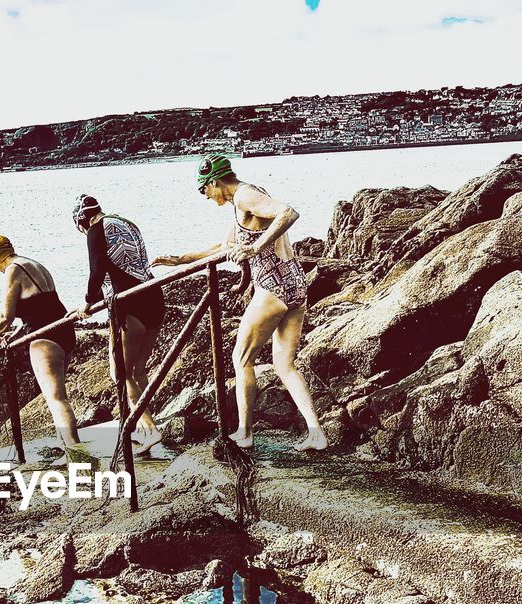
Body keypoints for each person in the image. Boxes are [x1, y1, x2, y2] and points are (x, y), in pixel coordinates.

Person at [152, 155, 327, 451]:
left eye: (203, 190)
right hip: (295, 283)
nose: (206, 197)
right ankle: (316, 434)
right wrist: (180, 260)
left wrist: (254, 248)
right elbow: (222, 248)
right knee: (284, 364)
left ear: (215, 182)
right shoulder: (244, 201)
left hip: (272, 286)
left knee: (241, 359)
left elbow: (289, 213)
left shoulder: (245, 195)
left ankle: (244, 433)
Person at [65, 194, 165, 455]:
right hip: (153, 297)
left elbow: (97, 271)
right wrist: (87, 301)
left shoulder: (95, 230)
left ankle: (151, 429)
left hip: (130, 306)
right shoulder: (124, 222)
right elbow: (120, 270)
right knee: (139, 371)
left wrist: (87, 303)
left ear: (81, 220)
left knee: (120, 375)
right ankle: (142, 430)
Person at [0, 235, 81, 449]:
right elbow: (41, 307)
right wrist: (18, 333)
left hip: (45, 338)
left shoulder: (13, 270)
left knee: (56, 399)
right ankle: (64, 447)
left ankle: (77, 454)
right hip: (63, 330)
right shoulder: (34, 264)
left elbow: (5, 316)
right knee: (56, 395)